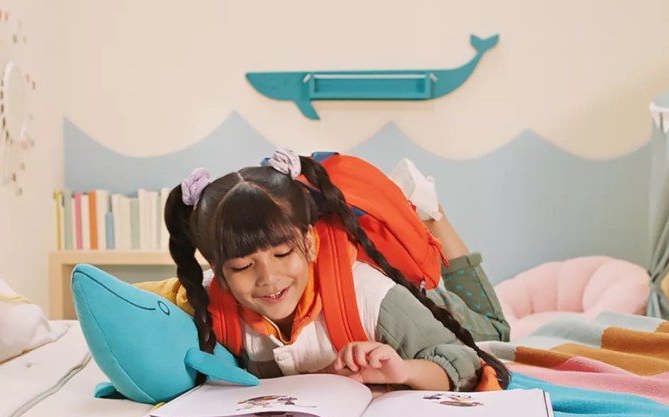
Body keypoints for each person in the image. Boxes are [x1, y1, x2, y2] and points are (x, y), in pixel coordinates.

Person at [139, 148, 511, 391]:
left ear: (311, 242)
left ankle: (429, 209)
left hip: (422, 300)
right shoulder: (207, 302)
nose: (268, 278)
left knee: (495, 329)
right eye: (242, 265)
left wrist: (406, 370)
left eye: (283, 254)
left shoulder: (369, 294)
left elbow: (463, 359)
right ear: (218, 270)